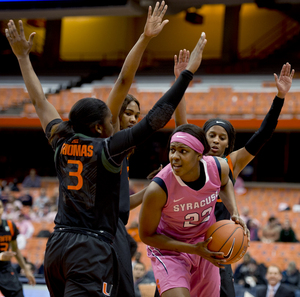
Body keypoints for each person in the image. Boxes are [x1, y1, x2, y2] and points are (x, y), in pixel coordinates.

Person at [6, 15, 207, 296]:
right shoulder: (108, 150)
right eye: (111, 120)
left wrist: (22, 58)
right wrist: (186, 75)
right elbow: (156, 118)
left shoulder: (61, 140)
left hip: (58, 245)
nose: (116, 123)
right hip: (91, 248)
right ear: (99, 126)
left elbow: (39, 99)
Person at [173, 49, 295, 297]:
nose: (216, 141)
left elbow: (262, 135)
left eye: (222, 137)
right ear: (202, 139)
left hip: (219, 245)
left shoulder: (231, 162)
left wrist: (280, 97)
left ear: (229, 144)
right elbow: (180, 121)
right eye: (212, 135)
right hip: (188, 242)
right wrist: (180, 82)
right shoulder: (192, 160)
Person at [139, 123, 249, 297]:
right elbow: (146, 235)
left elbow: (226, 182)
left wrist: (234, 212)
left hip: (205, 245)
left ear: (199, 155)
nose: (174, 156)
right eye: (172, 150)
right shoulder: (158, 189)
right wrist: (193, 249)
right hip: (170, 251)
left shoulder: (218, 167)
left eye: (183, 151)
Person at [105, 2, 169, 296]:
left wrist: (154, 187)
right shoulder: (107, 140)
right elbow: (123, 81)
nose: (133, 119)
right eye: (129, 113)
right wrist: (145, 38)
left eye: (136, 115)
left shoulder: (122, 156)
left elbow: (123, 206)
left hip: (113, 226)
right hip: (98, 232)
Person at [0, 200, 36, 297]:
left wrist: (26, 270)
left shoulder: (10, 226)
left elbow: (16, 250)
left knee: (18, 293)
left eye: (0, 207)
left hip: (5, 268)